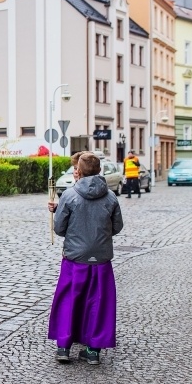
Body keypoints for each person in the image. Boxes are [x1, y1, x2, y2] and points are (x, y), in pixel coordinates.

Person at [47, 152, 123, 365]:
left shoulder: (69, 195)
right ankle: (92, 350)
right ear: (99, 171)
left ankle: (64, 347)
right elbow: (117, 226)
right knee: (98, 303)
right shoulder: (110, 196)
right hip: (101, 259)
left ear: (79, 171)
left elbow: (59, 228)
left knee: (68, 300)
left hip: (74, 258)